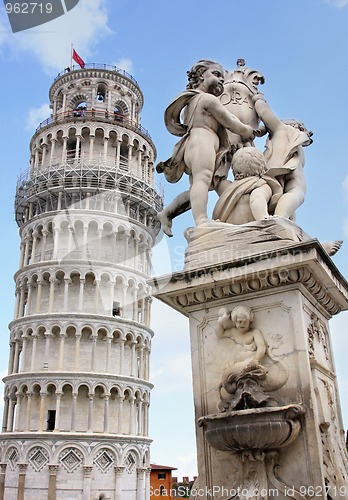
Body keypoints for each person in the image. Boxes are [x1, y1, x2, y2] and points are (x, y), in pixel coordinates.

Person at [156, 59, 254, 235]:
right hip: (202, 140)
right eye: (216, 75)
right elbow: (230, 121)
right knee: (202, 180)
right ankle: (201, 221)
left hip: (198, 143)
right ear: (201, 75)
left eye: (222, 78)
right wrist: (246, 130)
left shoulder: (192, 101)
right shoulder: (207, 99)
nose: (220, 80)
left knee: (200, 185)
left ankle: (167, 213)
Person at [253, 93, 313, 219]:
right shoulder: (299, 144)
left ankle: (266, 218)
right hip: (296, 178)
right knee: (294, 194)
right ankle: (282, 217)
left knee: (261, 193)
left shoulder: (280, 129)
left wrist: (258, 99)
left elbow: (264, 112)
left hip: (273, 172)